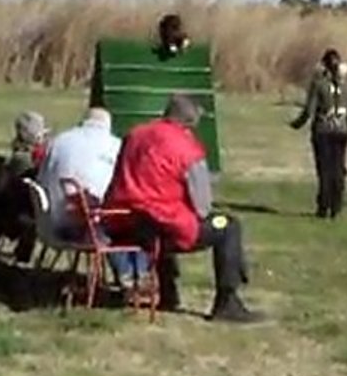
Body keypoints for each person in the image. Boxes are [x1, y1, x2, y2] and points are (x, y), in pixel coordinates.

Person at [103, 93, 262, 323]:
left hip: (125, 223)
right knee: (228, 226)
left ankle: (168, 292)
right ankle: (228, 301)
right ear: (191, 121)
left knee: (159, 219)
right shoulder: (187, 148)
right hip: (164, 226)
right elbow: (202, 207)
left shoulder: (135, 134)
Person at [37, 108, 148, 291]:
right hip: (88, 228)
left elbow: (40, 179)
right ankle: (134, 275)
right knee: (132, 223)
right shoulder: (116, 147)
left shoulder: (58, 142)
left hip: (52, 222)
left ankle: (130, 275)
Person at [290, 49, 347, 219]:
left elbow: (309, 110)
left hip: (323, 132)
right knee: (338, 169)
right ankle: (336, 205)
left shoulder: (318, 84)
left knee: (324, 170)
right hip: (341, 132)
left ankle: (323, 206)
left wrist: (296, 124)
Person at [0, 110, 49, 263]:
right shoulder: (23, 161)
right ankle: (24, 256)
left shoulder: (15, 158)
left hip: (13, 212)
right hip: (21, 215)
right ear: (36, 137)